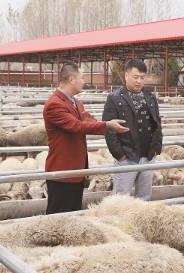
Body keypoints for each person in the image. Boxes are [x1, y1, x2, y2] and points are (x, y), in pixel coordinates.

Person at [43, 62, 128, 214]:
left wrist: (111, 127)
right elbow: (76, 126)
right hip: (63, 172)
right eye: (81, 78)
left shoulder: (76, 102)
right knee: (58, 217)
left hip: (76, 170)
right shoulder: (54, 104)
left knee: (75, 214)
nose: (84, 81)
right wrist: (107, 125)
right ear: (71, 79)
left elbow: (87, 121)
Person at [103, 59, 163, 201]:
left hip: (148, 155)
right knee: (121, 198)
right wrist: (120, 155)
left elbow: (157, 122)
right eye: (135, 77)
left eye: (142, 78)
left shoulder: (150, 97)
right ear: (126, 75)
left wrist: (157, 146)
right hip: (127, 156)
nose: (139, 81)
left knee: (144, 197)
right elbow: (109, 129)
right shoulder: (114, 98)